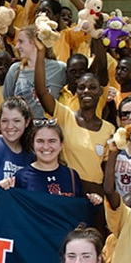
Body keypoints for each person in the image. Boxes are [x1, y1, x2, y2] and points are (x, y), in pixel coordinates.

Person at [34, 35, 115, 196]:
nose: (86, 91)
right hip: (67, 190)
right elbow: (42, 91)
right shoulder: (66, 116)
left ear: (100, 92)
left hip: (95, 195)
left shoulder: (109, 129)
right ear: (76, 91)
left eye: (92, 87)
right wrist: (41, 52)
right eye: (82, 87)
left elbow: (107, 172)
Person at [0, 121, 81, 197]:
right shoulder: (21, 177)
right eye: (40, 141)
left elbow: (79, 209)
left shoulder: (72, 176)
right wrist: (2, 190)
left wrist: (93, 200)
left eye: (52, 141)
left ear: (61, 145)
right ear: (33, 145)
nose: (46, 146)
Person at [3, 25, 66, 118]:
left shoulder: (60, 68)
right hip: (24, 129)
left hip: (49, 128)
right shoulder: (15, 70)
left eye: (21, 41)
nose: (17, 46)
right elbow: (7, 104)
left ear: (35, 42)